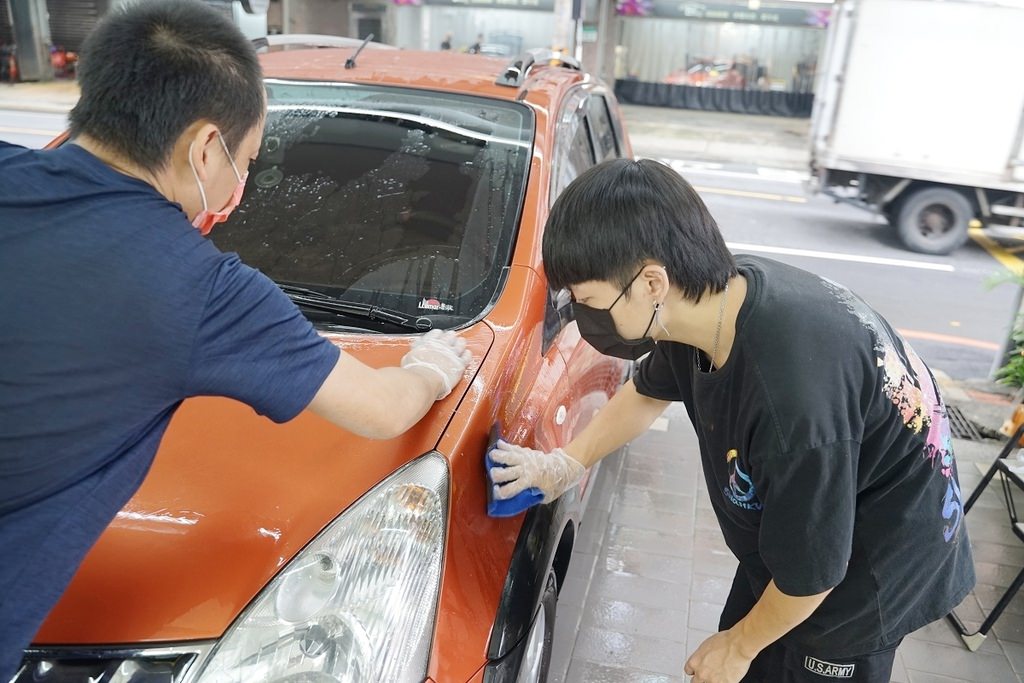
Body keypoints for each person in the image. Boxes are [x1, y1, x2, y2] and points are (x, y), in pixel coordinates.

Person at [0, 1, 471, 678]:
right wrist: (430, 363)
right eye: (246, 161)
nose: (239, 190)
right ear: (204, 148)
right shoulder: (199, 288)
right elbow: (383, 408)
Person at [489, 159, 975, 683]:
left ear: (652, 281)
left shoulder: (790, 401)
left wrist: (739, 647)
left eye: (588, 300)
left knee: (768, 651)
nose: (584, 316)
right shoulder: (704, 304)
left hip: (872, 567)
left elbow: (812, 578)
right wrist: (564, 463)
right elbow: (646, 393)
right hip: (810, 527)